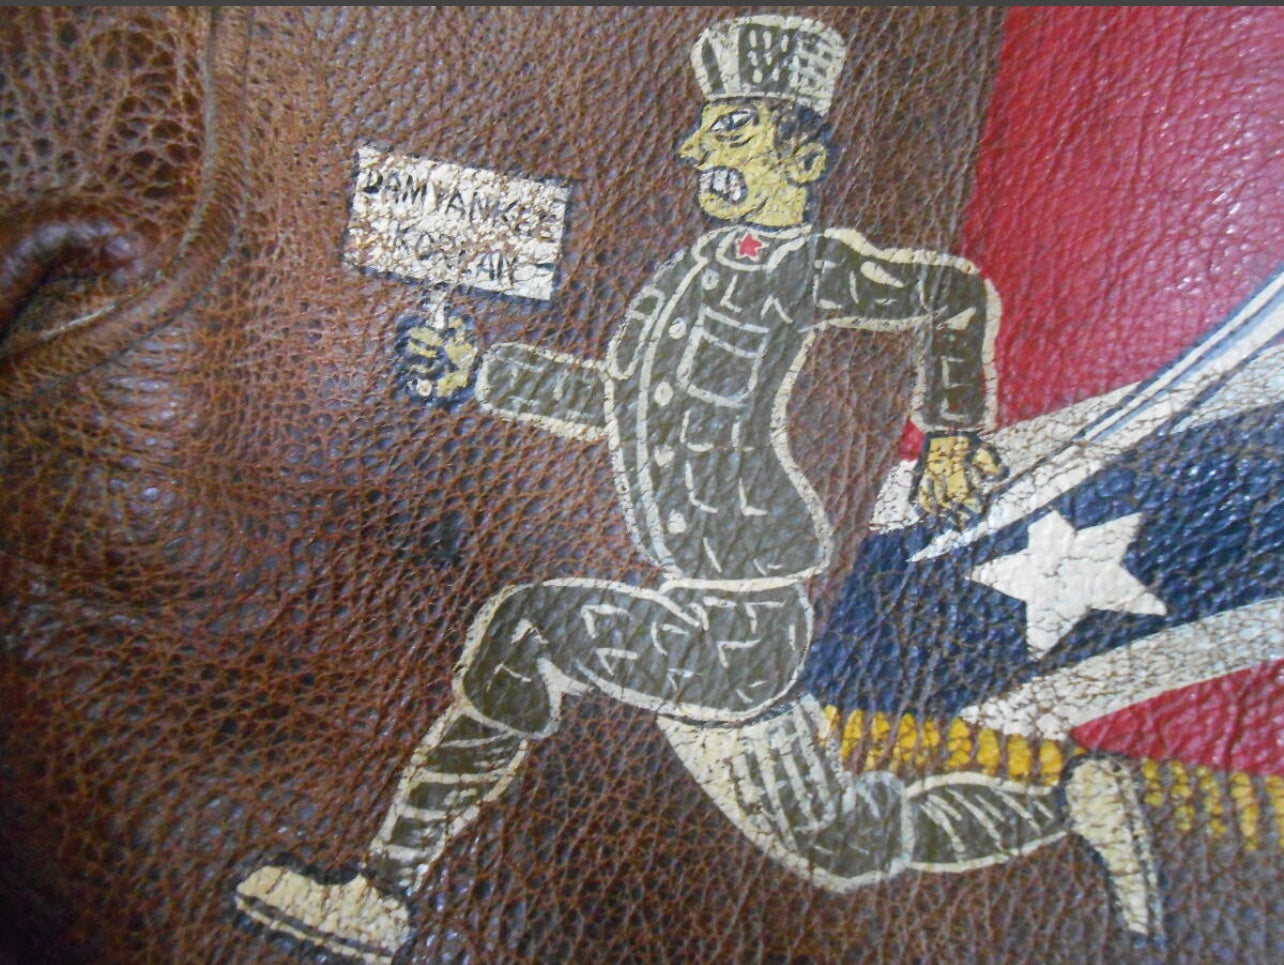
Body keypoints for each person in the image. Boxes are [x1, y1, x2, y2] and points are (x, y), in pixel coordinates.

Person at [234, 16, 1155, 963]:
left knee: (529, 629)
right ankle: (1070, 802)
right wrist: (481, 372)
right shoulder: (694, 270)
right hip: (716, 612)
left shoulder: (803, 265)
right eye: (706, 128)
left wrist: (954, 434)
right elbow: (617, 402)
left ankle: (381, 891)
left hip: (737, 619)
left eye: (733, 129)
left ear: (803, 160)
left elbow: (950, 296)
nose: (695, 148)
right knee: (844, 840)